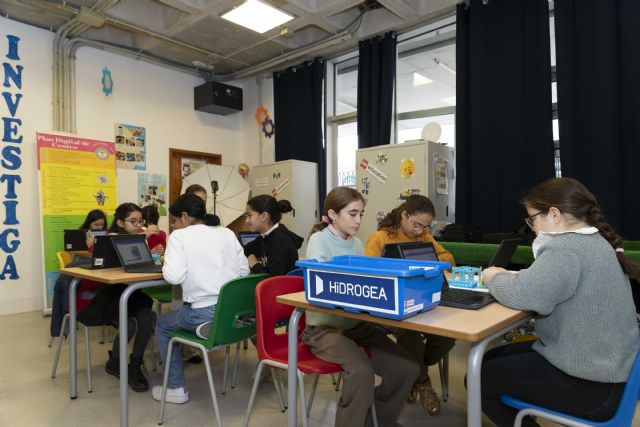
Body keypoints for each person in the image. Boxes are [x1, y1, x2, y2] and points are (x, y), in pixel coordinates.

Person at [480, 177, 640, 426]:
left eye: (532, 218)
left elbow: (524, 296)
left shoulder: (565, 248)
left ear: (554, 214)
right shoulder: (594, 242)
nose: (531, 226)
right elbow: (549, 283)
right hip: (611, 371)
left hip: (591, 386)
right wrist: (518, 278)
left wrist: (492, 276)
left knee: (480, 377)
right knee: (488, 359)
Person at [302, 187, 419, 427]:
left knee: (407, 368)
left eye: (361, 214)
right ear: (332, 214)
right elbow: (321, 288)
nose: (359, 220)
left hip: (356, 326)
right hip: (324, 330)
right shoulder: (319, 241)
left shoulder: (356, 244)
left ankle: (377, 421)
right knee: (361, 372)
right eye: (353, 214)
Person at [152, 193, 250, 404]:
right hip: (230, 310)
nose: (174, 225)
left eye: (175, 221)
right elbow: (244, 271)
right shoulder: (227, 233)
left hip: (200, 310)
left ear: (185, 217)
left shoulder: (180, 236)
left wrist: (167, 261)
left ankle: (176, 387)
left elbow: (173, 277)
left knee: (162, 325)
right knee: (189, 314)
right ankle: (214, 324)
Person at [364, 195, 456, 416]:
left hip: (422, 301)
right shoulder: (380, 238)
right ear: (404, 215)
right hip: (392, 306)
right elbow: (368, 274)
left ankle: (412, 373)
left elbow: (447, 257)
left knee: (447, 334)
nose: (420, 230)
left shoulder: (424, 236)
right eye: (416, 224)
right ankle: (423, 382)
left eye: (425, 226)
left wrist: (429, 264)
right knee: (410, 334)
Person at [77, 202, 153, 392]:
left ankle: (134, 366)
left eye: (140, 221)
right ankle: (116, 362)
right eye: (133, 221)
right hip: (112, 296)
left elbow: (140, 266)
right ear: (120, 222)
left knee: (146, 321)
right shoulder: (111, 239)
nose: (138, 225)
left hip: (133, 293)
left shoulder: (137, 239)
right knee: (131, 324)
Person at [243, 194, 303, 276]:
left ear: (264, 216)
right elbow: (244, 251)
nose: (246, 221)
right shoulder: (265, 237)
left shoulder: (280, 240)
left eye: (249, 216)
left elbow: (274, 280)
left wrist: (255, 265)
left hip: (284, 288)